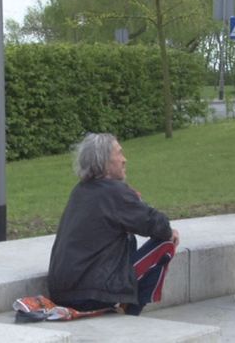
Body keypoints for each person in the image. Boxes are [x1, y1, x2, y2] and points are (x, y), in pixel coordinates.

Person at [48, 133, 180, 316]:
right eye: (119, 153)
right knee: (167, 244)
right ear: (104, 162)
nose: (124, 160)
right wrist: (137, 202)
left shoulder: (80, 190)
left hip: (62, 290)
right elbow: (158, 225)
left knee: (128, 237)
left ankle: (124, 306)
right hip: (91, 294)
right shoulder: (114, 192)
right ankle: (131, 314)